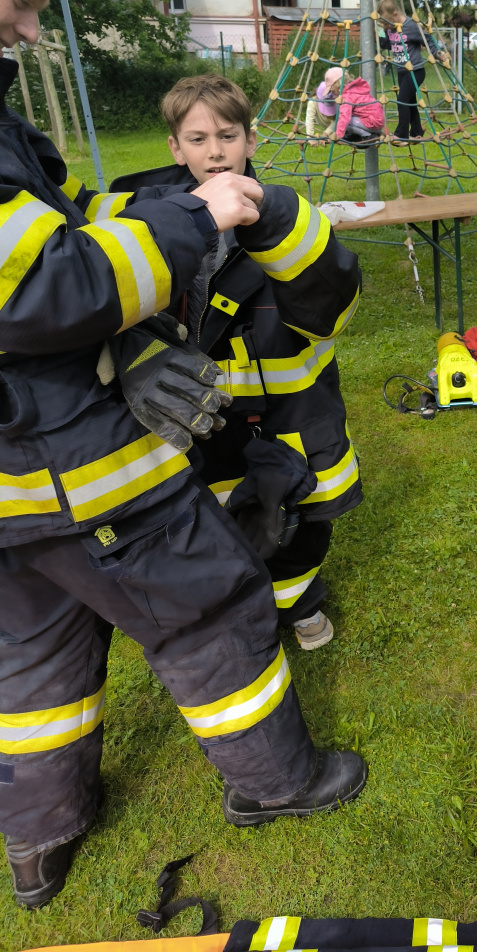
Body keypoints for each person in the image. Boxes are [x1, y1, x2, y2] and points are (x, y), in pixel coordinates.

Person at [0, 0, 366, 911]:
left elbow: (46, 250)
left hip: (11, 481)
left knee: (31, 653)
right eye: (21, 1)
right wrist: (199, 220)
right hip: (67, 463)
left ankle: (39, 837)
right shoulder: (175, 202)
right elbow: (43, 283)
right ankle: (276, 783)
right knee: (207, 608)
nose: (29, 32)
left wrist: (131, 331)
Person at [110, 74, 363, 652]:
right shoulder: (149, 220)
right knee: (217, 516)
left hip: (288, 414)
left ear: (250, 140)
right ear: (175, 148)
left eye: (228, 136)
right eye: (197, 139)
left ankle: (300, 603)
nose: (215, 152)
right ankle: (243, 609)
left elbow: (332, 305)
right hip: (199, 413)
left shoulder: (288, 216)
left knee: (299, 518)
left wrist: (275, 222)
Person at [376, 0, 448, 141]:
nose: (387, 26)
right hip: (402, 71)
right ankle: (416, 131)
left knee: (402, 100)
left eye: (387, 23)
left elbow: (427, 39)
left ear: (395, 14)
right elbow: (387, 45)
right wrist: (378, 34)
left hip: (415, 71)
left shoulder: (411, 26)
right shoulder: (390, 28)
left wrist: (436, 53)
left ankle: (401, 134)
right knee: (409, 102)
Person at [333, 74, 385, 143]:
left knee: (343, 121)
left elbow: (344, 117)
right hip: (379, 124)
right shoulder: (356, 90)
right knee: (350, 117)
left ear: (338, 88)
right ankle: (358, 135)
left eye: (333, 91)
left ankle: (367, 136)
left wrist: (337, 136)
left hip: (372, 124)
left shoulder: (347, 96)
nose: (333, 94)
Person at [305, 66, 340, 139]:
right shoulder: (313, 102)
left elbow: (337, 120)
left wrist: (325, 133)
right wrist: (310, 137)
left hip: (340, 128)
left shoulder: (337, 100)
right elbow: (309, 120)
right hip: (328, 127)